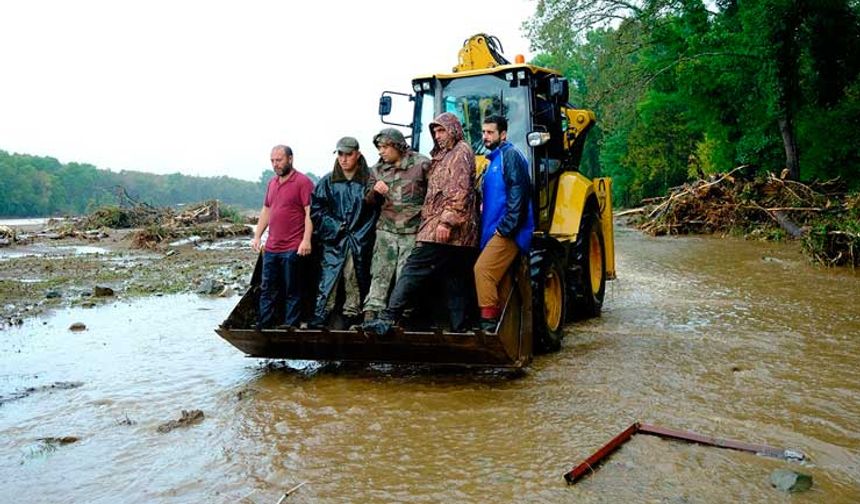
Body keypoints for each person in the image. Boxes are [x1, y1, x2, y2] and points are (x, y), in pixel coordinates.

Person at [363, 112, 478, 334]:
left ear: (453, 129)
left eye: (442, 130)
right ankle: (460, 329)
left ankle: (387, 320)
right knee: (454, 280)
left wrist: (446, 223)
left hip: (443, 228)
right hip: (444, 229)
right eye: (435, 131)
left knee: (412, 269)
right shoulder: (444, 155)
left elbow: (459, 191)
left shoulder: (460, 152)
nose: (438, 135)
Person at [362, 128, 431, 321]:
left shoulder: (422, 164)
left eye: (385, 147)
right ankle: (372, 310)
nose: (381, 151)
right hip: (387, 229)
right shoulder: (377, 170)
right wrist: (375, 191)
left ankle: (405, 313)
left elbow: (434, 195)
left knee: (406, 274)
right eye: (379, 147)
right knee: (380, 271)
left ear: (397, 146)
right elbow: (367, 201)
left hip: (413, 229)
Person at [308, 137, 378, 328]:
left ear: (358, 154)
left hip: (360, 238)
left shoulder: (369, 181)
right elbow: (317, 210)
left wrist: (363, 234)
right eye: (340, 154)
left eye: (348, 154)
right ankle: (322, 312)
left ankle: (352, 313)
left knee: (354, 274)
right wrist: (335, 227)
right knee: (329, 275)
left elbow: (377, 211)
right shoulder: (327, 181)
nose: (344, 159)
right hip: (335, 239)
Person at [473, 115, 535, 332]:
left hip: (509, 231)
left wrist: (506, 228)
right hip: (494, 231)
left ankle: (489, 326)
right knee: (504, 283)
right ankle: (509, 335)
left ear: (503, 134)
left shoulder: (510, 156)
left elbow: (518, 195)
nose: (485, 136)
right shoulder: (492, 161)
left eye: (490, 132)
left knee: (483, 271)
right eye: (483, 132)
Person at [252, 145, 314, 330]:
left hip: (293, 246)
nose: (275, 164)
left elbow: (309, 213)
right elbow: (266, 210)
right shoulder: (271, 183)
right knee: (267, 288)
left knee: (292, 289)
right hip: (271, 247)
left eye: (279, 160)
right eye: (272, 160)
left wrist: (306, 240)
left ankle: (290, 324)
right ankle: (266, 323)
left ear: (290, 159)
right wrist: (257, 236)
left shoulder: (303, 182)